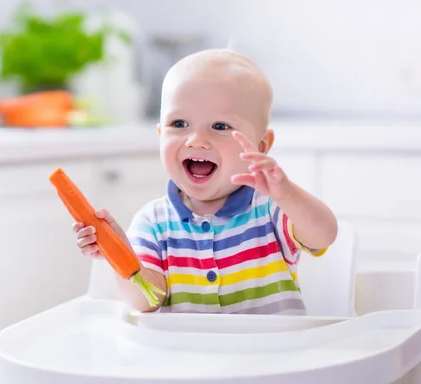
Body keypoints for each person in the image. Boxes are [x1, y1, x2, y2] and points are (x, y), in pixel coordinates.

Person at [72, 48, 338, 314]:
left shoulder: (271, 208)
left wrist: (286, 193)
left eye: (220, 126)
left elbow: (324, 235)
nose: (196, 139)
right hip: (189, 355)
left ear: (261, 145)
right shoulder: (152, 223)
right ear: (160, 134)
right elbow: (147, 300)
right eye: (179, 123)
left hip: (272, 352)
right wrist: (118, 251)